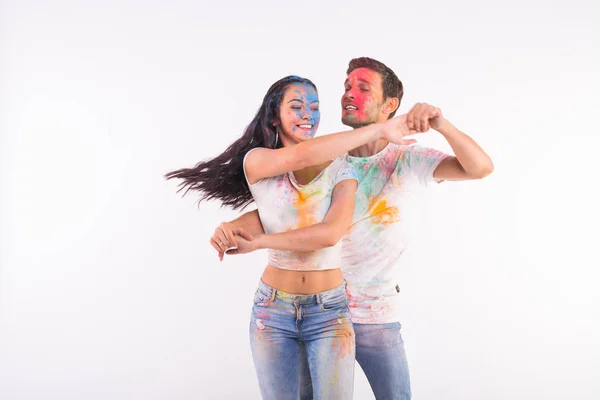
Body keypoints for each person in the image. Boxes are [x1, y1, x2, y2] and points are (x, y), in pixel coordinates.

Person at [212, 58, 494, 400]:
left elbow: (479, 167)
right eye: (346, 86)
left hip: (374, 311)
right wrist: (233, 226)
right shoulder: (326, 156)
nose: (349, 94)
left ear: (390, 105)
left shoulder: (406, 157)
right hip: (314, 303)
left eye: (363, 88)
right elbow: (283, 209)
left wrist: (441, 124)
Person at [167, 75, 419, 400]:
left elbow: (329, 233)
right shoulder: (258, 160)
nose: (308, 115)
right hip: (272, 312)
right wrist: (232, 227)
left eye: (314, 108)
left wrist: (258, 241)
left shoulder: (343, 167)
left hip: (329, 312)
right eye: (297, 106)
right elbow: (277, 203)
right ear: (275, 116)